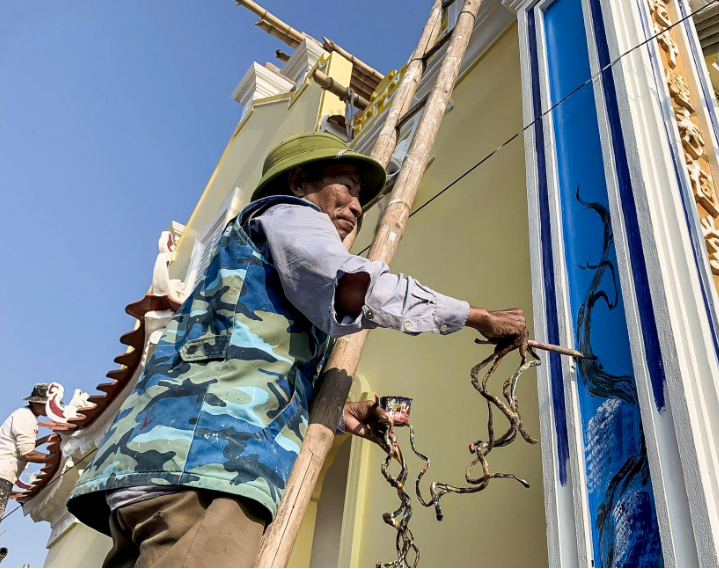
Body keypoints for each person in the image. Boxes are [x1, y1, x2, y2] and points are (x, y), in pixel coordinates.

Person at [68, 132, 527, 567]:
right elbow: (356, 286)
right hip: (206, 468)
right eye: (345, 187)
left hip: (151, 474)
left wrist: (337, 413)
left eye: (360, 197)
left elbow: (248, 364)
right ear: (300, 182)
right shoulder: (289, 213)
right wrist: (476, 316)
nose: (356, 205)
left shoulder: (261, 267)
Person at [0, 384, 50, 523]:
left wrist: (45, 440)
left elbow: (21, 447)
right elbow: (27, 454)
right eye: (47, 404)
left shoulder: (25, 415)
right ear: (36, 402)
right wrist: (54, 459)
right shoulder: (25, 417)